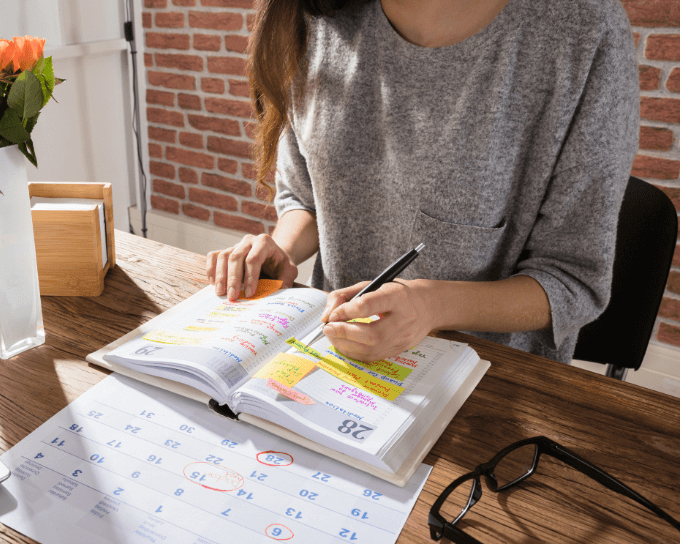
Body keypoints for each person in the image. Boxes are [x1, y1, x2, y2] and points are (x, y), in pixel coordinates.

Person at [206, 0, 639, 363]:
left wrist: (430, 306)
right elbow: (307, 196)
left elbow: (572, 280)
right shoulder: (317, 11)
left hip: (486, 384)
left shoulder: (582, 28)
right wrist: (281, 249)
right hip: (332, 359)